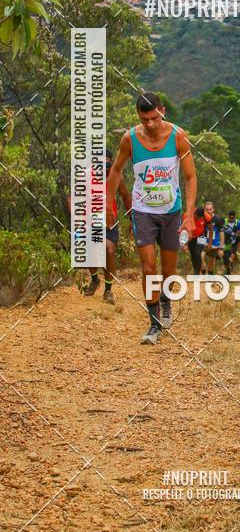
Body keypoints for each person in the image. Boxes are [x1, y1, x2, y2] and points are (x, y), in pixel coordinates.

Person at [106, 92, 197, 345]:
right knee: (148, 267)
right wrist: (108, 202)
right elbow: (116, 170)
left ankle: (166, 302)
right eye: (144, 119)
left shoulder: (178, 137)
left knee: (168, 269)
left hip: (171, 211)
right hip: (143, 211)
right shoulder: (130, 139)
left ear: (162, 111)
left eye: (154, 118)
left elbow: (190, 177)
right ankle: (154, 323)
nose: (150, 124)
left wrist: (189, 214)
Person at [67, 150, 132, 304]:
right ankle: (95, 280)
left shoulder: (116, 177)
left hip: (109, 221)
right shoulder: (84, 176)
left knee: (109, 249)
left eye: (108, 164)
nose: (104, 168)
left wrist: (132, 218)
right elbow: (71, 198)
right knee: (90, 253)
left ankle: (108, 290)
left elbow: (125, 196)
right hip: (89, 222)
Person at [188, 205, 213, 276]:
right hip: (191, 236)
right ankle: (195, 270)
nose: (198, 218)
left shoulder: (207, 217)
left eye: (200, 217)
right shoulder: (188, 215)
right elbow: (184, 228)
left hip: (201, 236)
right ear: (194, 213)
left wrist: (210, 243)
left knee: (197, 253)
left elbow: (211, 230)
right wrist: (185, 243)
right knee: (193, 255)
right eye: (197, 216)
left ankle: (196, 273)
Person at [205, 209, 225, 274]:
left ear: (213, 209)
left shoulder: (218, 220)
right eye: (207, 209)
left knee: (211, 262)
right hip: (205, 242)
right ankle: (202, 272)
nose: (208, 211)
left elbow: (221, 234)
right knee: (200, 256)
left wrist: (221, 248)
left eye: (210, 209)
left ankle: (211, 277)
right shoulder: (203, 217)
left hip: (215, 245)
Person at [223, 210, 240, 275]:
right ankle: (228, 269)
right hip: (225, 242)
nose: (231, 219)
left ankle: (230, 266)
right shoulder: (224, 221)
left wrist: (234, 236)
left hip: (234, 242)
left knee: (231, 257)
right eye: (230, 218)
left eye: (232, 218)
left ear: (235, 217)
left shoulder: (238, 222)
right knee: (225, 260)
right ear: (228, 216)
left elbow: (239, 232)